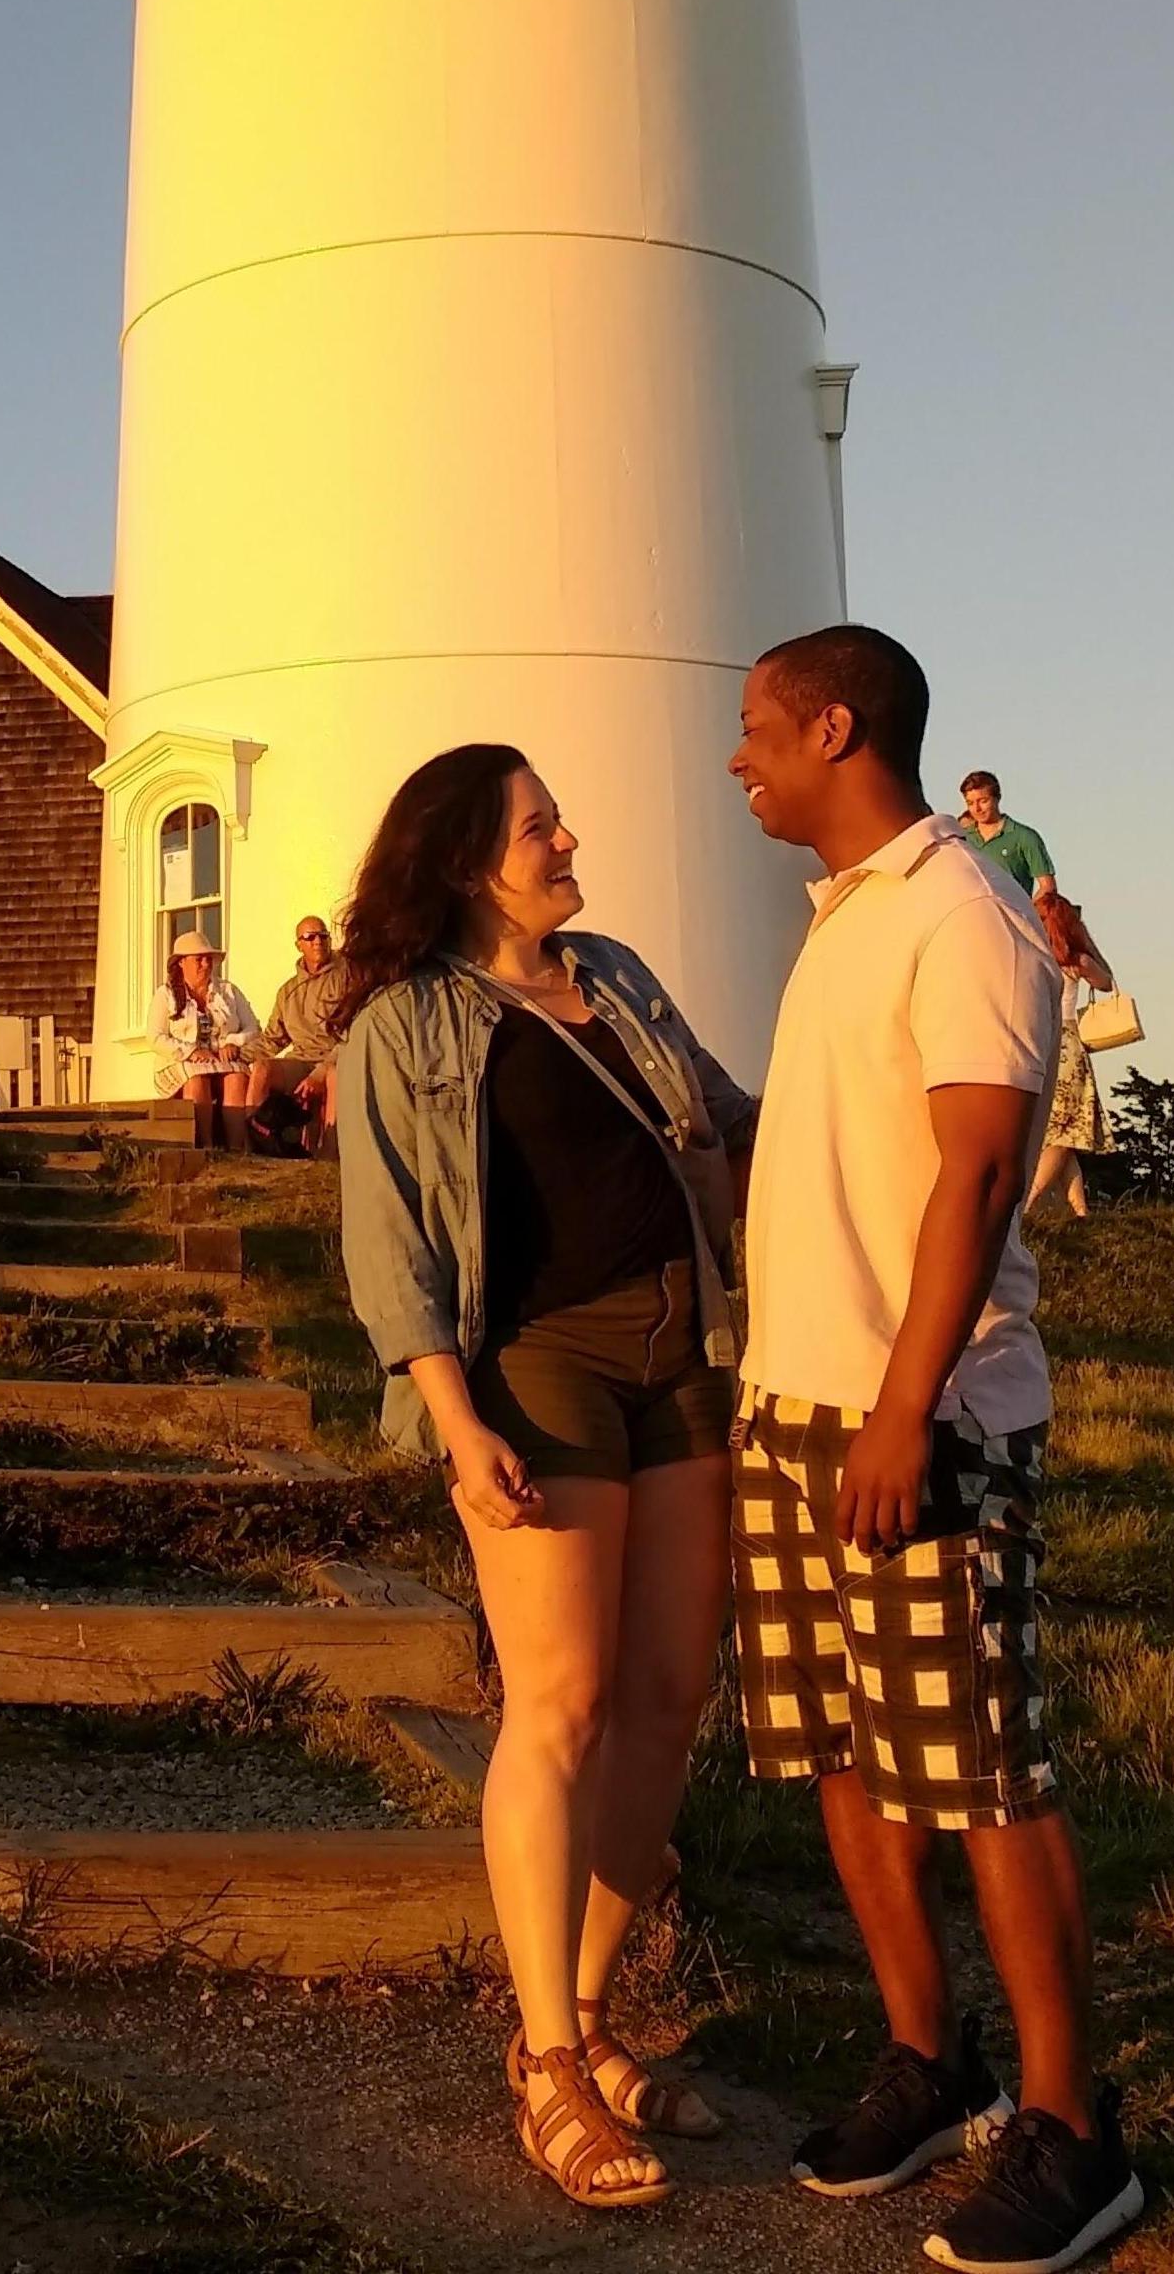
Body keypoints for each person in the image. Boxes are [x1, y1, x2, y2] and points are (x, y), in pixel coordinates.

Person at [730, 628, 1144, 2274]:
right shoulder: (840, 916)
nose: (736, 755)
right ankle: (932, 2056)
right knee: (842, 1749)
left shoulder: (962, 909)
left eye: (755, 728)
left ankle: (1069, 2125)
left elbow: (977, 1175)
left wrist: (902, 1409)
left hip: (924, 1412)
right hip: (793, 1404)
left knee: (978, 1767)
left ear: (832, 726)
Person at [336, 746, 755, 2215]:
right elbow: (391, 1249)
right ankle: (553, 2057)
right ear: (467, 861)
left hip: (686, 1343)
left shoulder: (620, 974)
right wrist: (457, 1419)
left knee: (667, 1697)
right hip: (538, 1366)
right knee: (562, 1704)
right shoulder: (405, 1026)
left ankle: (578, 2027)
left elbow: (724, 1114)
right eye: (536, 825)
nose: (568, 836)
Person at [1029, 891, 1116, 1221]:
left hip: (1041, 1038)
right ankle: (1030, 1201)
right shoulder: (1075, 961)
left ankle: (1080, 1211)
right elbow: (1106, 980)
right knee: (1065, 1132)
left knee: (1062, 1131)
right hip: (1068, 1043)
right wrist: (1087, 943)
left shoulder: (1032, 952)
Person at [147, 931, 273, 1147]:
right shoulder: (165, 995)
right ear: (181, 963)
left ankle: (237, 1148)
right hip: (181, 1063)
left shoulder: (228, 991)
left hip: (223, 1061)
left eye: (208, 959)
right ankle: (205, 1145)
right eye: (199, 959)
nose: (205, 964)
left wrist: (233, 1041)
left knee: (236, 1077)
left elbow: (254, 1027)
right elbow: (155, 1038)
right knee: (197, 1080)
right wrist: (191, 1052)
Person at [263, 914, 344, 1149]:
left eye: (323, 936)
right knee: (262, 1070)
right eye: (310, 937)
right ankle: (254, 1147)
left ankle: (329, 1152)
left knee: (334, 1076)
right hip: (300, 1060)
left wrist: (319, 1073)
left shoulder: (347, 977)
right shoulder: (288, 991)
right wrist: (234, 1056)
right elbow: (271, 1039)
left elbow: (351, 1035)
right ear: (299, 945)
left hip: (335, 1059)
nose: (317, 941)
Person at [957, 773, 1057, 902]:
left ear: (997, 798)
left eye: (983, 801)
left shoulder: (1024, 836)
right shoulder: (961, 839)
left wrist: (1026, 913)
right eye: (970, 803)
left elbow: (1048, 887)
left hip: (1012, 917)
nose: (977, 809)